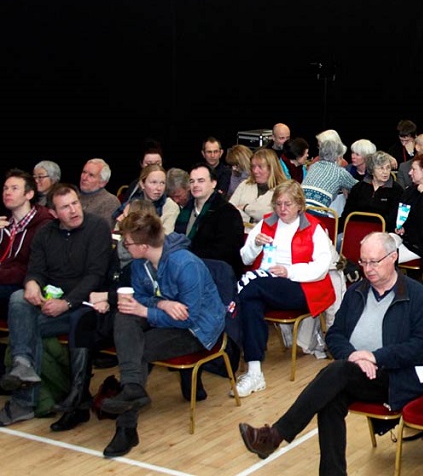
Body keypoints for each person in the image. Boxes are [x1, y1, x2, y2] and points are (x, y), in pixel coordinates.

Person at [238, 232, 423, 473]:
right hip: (357, 372)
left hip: (398, 376)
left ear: (393, 257)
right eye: (363, 261)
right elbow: (334, 335)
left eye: (374, 262)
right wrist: (356, 356)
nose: (368, 268)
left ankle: (275, 435)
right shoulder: (356, 291)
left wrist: (376, 357)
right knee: (331, 394)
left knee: (337, 376)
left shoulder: (416, 294)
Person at [96, 210, 224, 457]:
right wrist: (161, 304)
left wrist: (147, 310)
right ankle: (133, 388)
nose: (124, 246)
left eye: (127, 243)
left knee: (138, 349)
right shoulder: (139, 263)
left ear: (144, 246)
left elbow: (189, 316)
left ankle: (126, 428)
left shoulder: (185, 264)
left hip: (196, 329)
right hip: (166, 318)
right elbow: (140, 295)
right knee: (124, 315)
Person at [0, 184, 111, 426]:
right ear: (54, 213)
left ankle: (24, 401)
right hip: (52, 303)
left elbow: (95, 276)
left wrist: (66, 303)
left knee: (25, 329)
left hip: (85, 304)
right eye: (65, 207)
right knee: (19, 297)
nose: (73, 211)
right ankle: (23, 365)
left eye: (75, 204)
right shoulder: (45, 234)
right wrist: (31, 283)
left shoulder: (97, 227)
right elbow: (36, 270)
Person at [235, 180, 338, 398]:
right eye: (279, 204)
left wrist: (288, 271)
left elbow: (320, 269)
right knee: (251, 302)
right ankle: (255, 372)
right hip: (263, 284)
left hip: (300, 287)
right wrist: (256, 245)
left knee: (249, 286)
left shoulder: (313, 227)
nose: (282, 209)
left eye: (288, 204)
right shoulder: (265, 223)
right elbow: (245, 257)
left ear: (300, 205)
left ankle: (232, 310)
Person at [174, 163, 245, 275]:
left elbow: (227, 251)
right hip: (184, 269)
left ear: (213, 183)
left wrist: (190, 257)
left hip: (216, 273)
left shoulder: (228, 212)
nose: (195, 185)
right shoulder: (185, 211)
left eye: (201, 181)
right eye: (192, 181)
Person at [0, 170, 51, 318]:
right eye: (5, 188)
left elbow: (30, 267)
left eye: (14, 188)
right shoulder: (5, 224)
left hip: (24, 286)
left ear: (29, 194)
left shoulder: (43, 225)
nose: (7, 192)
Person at [340, 150, 404, 232]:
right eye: (381, 168)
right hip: (357, 228)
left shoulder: (397, 190)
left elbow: (393, 218)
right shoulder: (359, 187)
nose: (385, 172)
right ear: (372, 170)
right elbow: (347, 212)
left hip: (382, 231)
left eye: (388, 168)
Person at [112, 164, 179, 235]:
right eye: (153, 182)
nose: (159, 188)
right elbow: (117, 232)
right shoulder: (132, 203)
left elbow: (165, 236)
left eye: (162, 183)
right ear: (142, 184)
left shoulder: (170, 206)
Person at [230, 147, 288, 226]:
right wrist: (254, 217)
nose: (255, 171)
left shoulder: (284, 189)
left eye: (260, 167)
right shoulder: (245, 184)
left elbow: (273, 216)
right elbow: (229, 210)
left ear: (271, 168)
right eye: (253, 166)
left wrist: (245, 207)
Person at [302, 132, 357, 214]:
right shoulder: (339, 172)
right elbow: (359, 188)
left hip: (299, 208)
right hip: (317, 213)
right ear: (338, 157)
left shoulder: (314, 166)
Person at [79, 158, 121, 230]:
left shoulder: (110, 201)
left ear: (102, 183)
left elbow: (102, 232)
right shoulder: (73, 196)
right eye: (84, 172)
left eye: (91, 175)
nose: (84, 177)